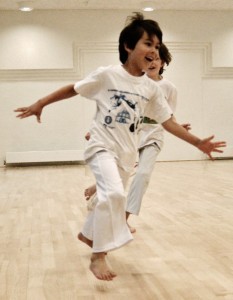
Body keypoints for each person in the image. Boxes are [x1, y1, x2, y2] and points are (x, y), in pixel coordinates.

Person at [14, 12, 226, 281]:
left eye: (157, 46)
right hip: (101, 147)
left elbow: (168, 121)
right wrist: (41, 103)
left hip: (126, 155)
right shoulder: (107, 76)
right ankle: (98, 256)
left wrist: (198, 143)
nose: (153, 50)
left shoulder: (151, 89)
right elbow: (74, 88)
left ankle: (88, 233)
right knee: (114, 195)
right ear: (128, 46)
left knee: (112, 194)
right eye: (148, 43)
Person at [84, 43, 190, 233]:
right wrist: (95, 131)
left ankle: (123, 219)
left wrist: (179, 127)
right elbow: (115, 110)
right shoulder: (132, 84)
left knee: (142, 174)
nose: (152, 63)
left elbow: (168, 116)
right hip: (131, 135)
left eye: (156, 58)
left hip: (154, 137)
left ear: (163, 62)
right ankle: (97, 187)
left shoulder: (169, 88)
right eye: (148, 59)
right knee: (120, 171)